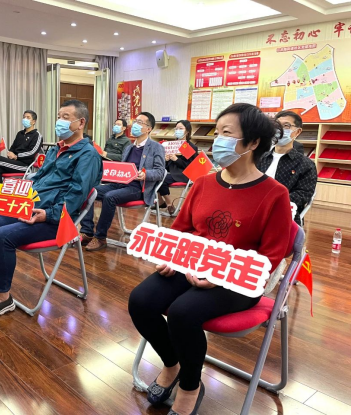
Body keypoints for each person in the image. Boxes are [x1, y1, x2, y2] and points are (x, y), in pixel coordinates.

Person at [128, 103, 292, 414]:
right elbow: (181, 230)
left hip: (239, 278)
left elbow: (272, 255)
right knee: (141, 301)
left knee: (183, 313)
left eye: (226, 133)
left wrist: (220, 276)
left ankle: (190, 385)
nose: (218, 141)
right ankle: (172, 364)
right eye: (216, 133)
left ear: (253, 142)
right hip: (192, 263)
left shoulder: (275, 194)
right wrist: (172, 258)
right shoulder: (204, 183)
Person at [0, 99, 102, 321]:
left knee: (2, 235)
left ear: (81, 123)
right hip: (30, 209)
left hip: (55, 221)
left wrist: (49, 214)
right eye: (58, 116)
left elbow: (76, 195)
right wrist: (10, 200)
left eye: (65, 117)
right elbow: (37, 179)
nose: (59, 121)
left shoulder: (88, 155)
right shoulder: (55, 150)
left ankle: (2, 297)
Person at [79, 112, 165, 251]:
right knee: (89, 190)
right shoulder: (129, 147)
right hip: (119, 183)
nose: (135, 125)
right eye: (135, 121)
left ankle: (100, 237)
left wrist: (145, 174)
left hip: (137, 188)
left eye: (140, 123)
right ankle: (87, 231)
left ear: (148, 129)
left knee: (109, 197)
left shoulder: (156, 147)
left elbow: (160, 172)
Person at [258, 111, 317, 225]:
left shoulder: (306, 164)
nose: (280, 129)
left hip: (284, 214)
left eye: (286, 126)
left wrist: (273, 200)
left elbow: (303, 194)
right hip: (254, 209)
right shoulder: (260, 158)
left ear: (297, 132)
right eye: (277, 125)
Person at [0, 110, 43, 204]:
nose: (25, 119)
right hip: (14, 162)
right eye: (24, 117)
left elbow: (32, 152)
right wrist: (10, 153)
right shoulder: (20, 134)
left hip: (25, 165)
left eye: (28, 117)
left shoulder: (37, 135)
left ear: (34, 121)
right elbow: (13, 147)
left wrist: (17, 156)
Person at [154, 120, 198, 215]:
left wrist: (176, 159)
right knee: (154, 176)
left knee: (161, 179)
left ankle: (169, 204)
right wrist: (165, 160)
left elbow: (190, 166)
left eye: (181, 128)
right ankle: (161, 201)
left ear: (187, 131)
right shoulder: (172, 145)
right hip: (170, 171)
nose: (178, 130)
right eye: (176, 128)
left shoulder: (189, 147)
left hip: (183, 174)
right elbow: (167, 165)